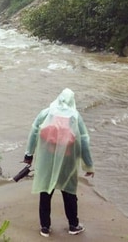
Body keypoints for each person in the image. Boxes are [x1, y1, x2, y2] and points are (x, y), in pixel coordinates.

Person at [23, 88, 94, 238]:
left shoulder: (46, 113)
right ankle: (73, 225)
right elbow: (84, 140)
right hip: (67, 161)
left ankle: (45, 227)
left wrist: (28, 154)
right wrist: (88, 165)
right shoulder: (75, 117)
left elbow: (34, 131)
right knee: (69, 191)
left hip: (47, 158)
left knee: (45, 191)